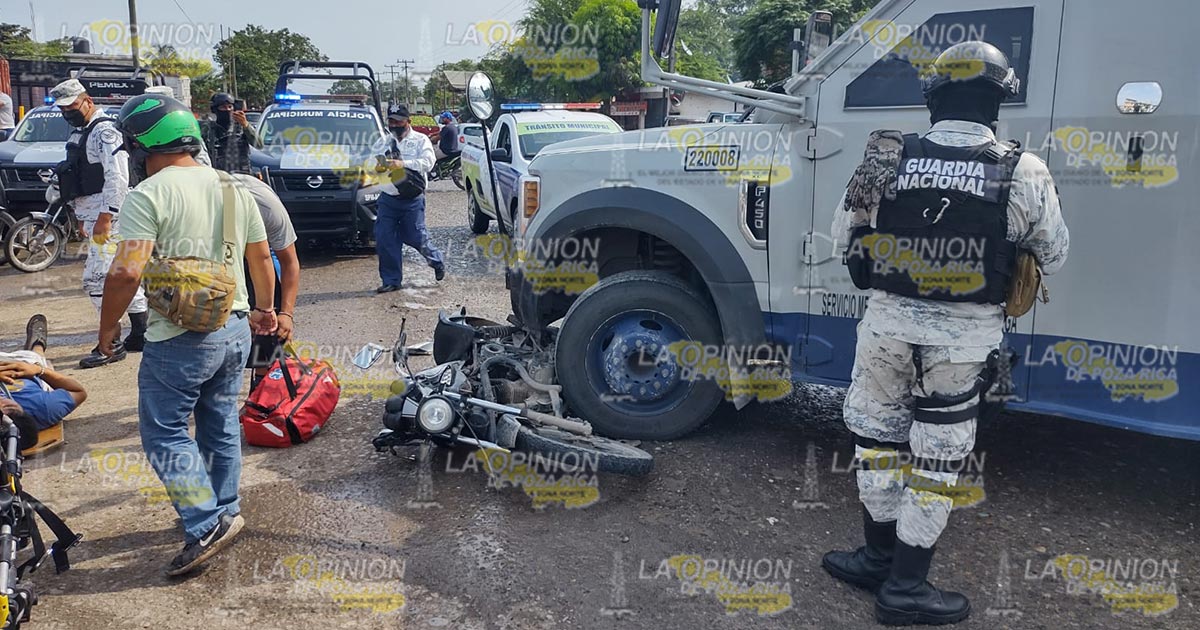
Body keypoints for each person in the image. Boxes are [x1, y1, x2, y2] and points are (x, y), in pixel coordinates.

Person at [824, 42, 1069, 626]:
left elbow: (842, 239)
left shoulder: (886, 155)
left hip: (884, 330)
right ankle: (906, 588)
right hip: (964, 342)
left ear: (932, 98)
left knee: (878, 443)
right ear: (998, 100)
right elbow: (1053, 255)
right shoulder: (1022, 168)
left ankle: (876, 559)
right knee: (936, 462)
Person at [100, 93, 277, 576]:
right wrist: (266, 310)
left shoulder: (148, 195)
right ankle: (225, 509)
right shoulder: (231, 187)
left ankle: (204, 523)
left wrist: (108, 326)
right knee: (219, 423)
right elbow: (261, 258)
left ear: (143, 146)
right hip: (235, 327)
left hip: (179, 337)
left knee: (164, 433)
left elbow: (124, 274)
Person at [50, 78, 149, 367]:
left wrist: (106, 216)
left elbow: (118, 177)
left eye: (71, 106)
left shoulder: (104, 132)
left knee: (96, 279)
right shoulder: (79, 133)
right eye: (63, 109)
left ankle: (111, 342)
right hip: (93, 214)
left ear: (88, 101)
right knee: (119, 272)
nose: (67, 112)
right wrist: (84, 217)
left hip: (112, 215)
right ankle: (140, 332)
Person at [229, 173, 300, 388]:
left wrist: (285, 314)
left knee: (269, 326)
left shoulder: (268, 210)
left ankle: (263, 384)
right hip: (213, 257)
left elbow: (290, 264)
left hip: (256, 256)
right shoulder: (204, 205)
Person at [372, 104, 444, 293]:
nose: (394, 124)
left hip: (412, 200)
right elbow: (372, 163)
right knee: (385, 238)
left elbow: (428, 163)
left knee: (415, 236)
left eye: (398, 121)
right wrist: (379, 167)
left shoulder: (420, 140)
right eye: (391, 121)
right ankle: (391, 280)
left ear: (408, 121)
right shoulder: (382, 142)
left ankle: (436, 260)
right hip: (388, 198)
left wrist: (402, 164)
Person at [0, 315, 87, 431]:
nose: (4, 405)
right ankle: (37, 345)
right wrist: (40, 370)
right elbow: (78, 391)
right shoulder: (42, 408)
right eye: (11, 410)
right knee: (34, 357)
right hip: (26, 365)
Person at [200, 93, 259, 174]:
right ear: (215, 110)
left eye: (230, 107)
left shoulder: (241, 127)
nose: (227, 110)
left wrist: (246, 125)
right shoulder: (208, 129)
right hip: (219, 176)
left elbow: (259, 145)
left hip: (243, 175)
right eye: (223, 107)